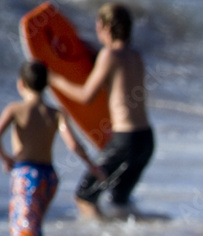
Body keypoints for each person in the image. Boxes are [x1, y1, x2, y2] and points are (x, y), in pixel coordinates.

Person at [48, 3, 154, 219]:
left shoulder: (108, 56)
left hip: (125, 140)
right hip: (145, 139)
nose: (96, 29)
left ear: (106, 27)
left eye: (98, 25)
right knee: (119, 199)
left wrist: (54, 79)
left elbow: (86, 96)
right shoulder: (135, 55)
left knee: (85, 197)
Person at [1, 62, 103, 236]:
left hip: (26, 175)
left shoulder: (16, 109)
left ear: (21, 84)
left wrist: (6, 158)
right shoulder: (56, 113)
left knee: (23, 232)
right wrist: (92, 166)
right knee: (34, 226)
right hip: (49, 177)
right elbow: (73, 144)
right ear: (47, 84)